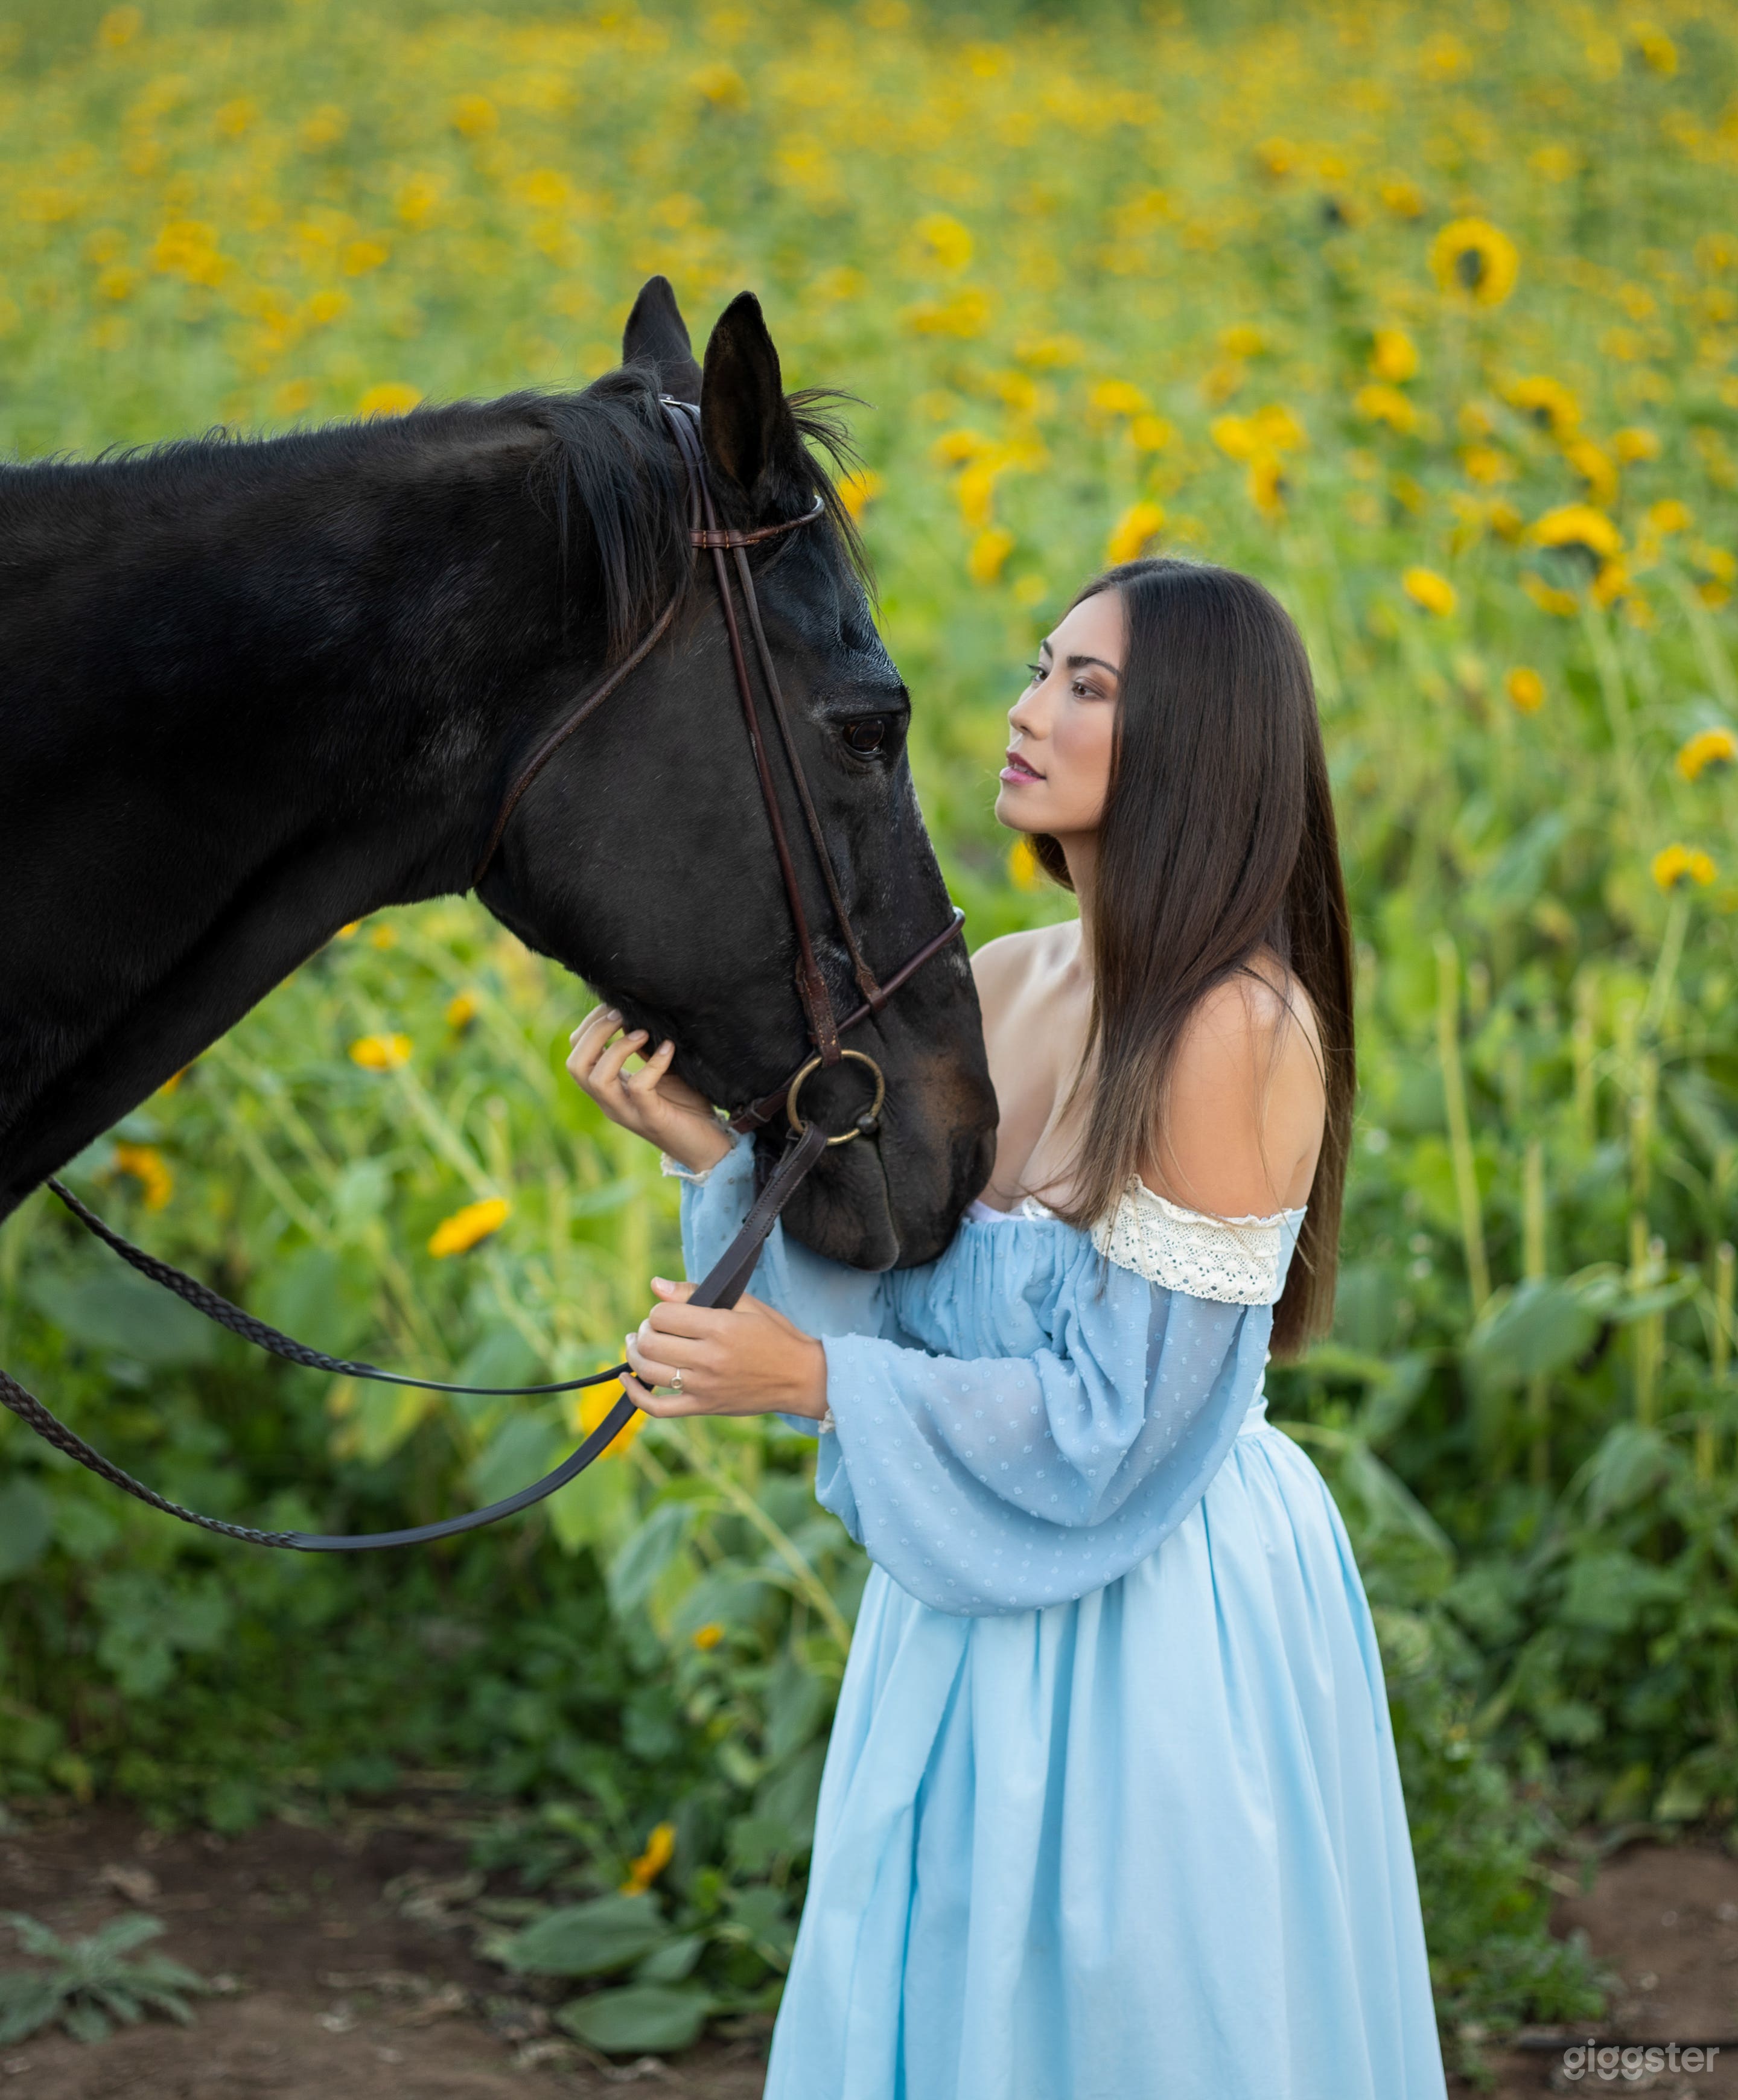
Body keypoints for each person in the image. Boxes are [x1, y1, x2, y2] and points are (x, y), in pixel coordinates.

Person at [567, 556, 1448, 2100]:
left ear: (1200, 747)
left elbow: (1127, 1424)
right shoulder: (995, 985)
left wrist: (822, 1386)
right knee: (953, 1995)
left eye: (1087, 688)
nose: (1026, 710)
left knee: (1137, 2020)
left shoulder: (1232, 1031)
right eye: (1043, 668)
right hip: (971, 1595)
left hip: (1160, 1611)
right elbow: (919, 1303)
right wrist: (709, 1152)